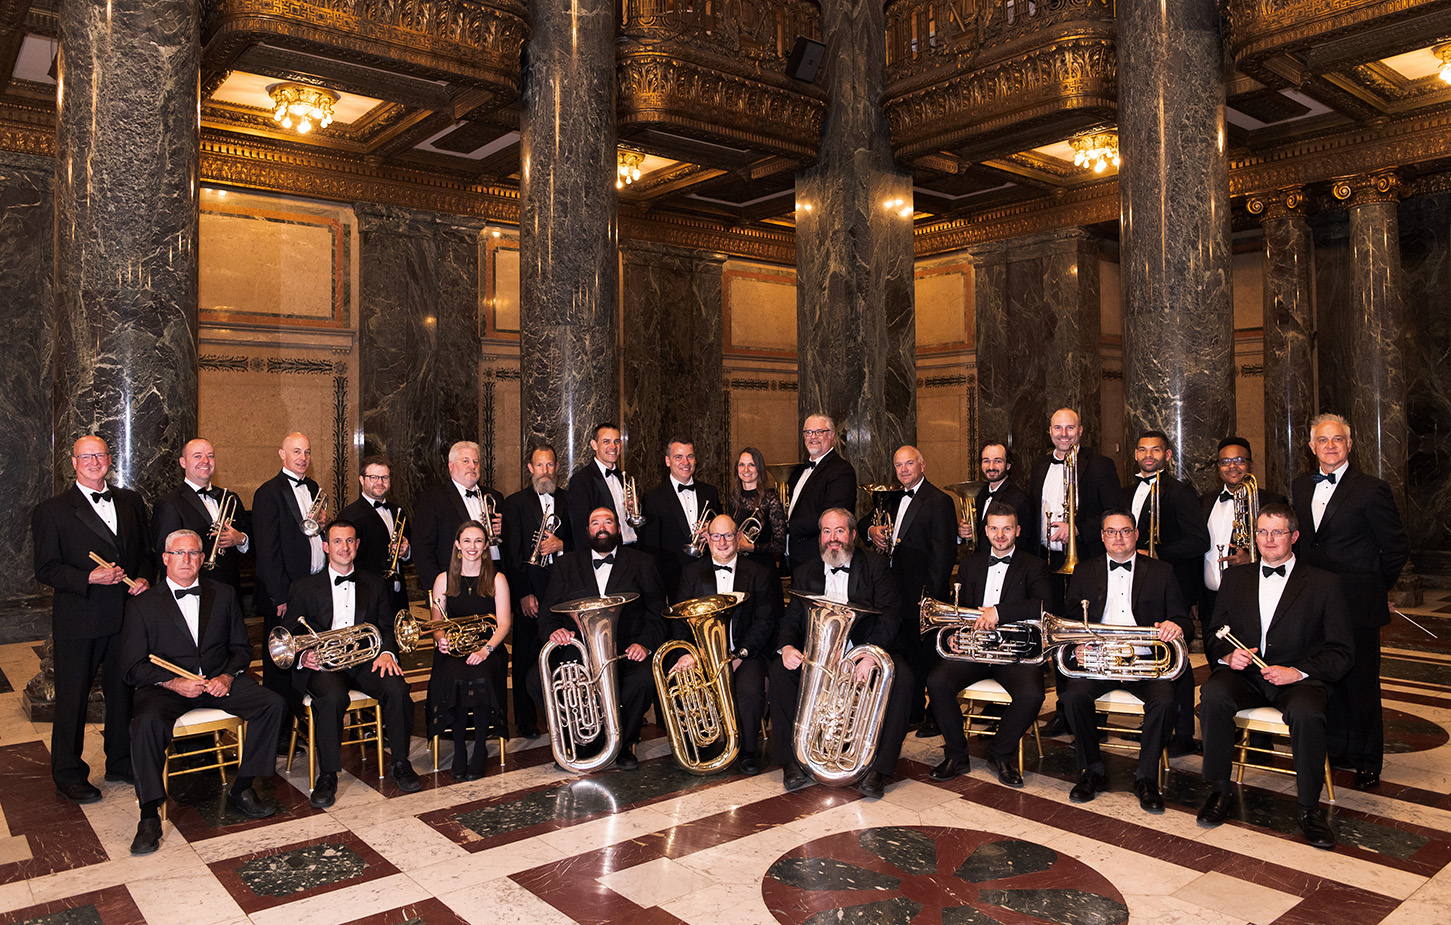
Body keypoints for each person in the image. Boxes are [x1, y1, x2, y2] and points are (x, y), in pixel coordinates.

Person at [119, 529, 286, 854]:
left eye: (193, 553)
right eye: (179, 553)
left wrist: (226, 676)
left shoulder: (223, 594)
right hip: (165, 688)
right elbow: (131, 667)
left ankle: (243, 786)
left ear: (202, 558)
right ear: (165, 559)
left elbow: (241, 648)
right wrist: (173, 682)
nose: (186, 560)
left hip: (215, 682)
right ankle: (149, 813)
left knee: (272, 703)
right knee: (145, 723)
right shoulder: (143, 605)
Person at [1196, 504, 1353, 849]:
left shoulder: (1324, 584)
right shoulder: (1235, 578)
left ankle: (1309, 809)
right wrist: (1226, 655)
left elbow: (1342, 652)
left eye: (1277, 532)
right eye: (1263, 532)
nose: (1269, 539)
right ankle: (1219, 790)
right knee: (1213, 695)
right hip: (1248, 676)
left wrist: (1296, 671)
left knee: (1306, 713)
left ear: (1294, 537)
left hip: (1299, 679)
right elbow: (1213, 634)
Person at [32, 435, 153, 803]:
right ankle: (68, 773)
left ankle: (119, 760)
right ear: (73, 462)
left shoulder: (130, 501)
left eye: (99, 454)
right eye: (86, 456)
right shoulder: (52, 510)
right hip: (79, 618)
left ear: (109, 459)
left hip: (126, 615)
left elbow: (145, 552)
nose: (93, 461)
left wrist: (146, 576)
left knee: (122, 693)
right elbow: (47, 569)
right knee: (72, 698)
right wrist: (89, 577)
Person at [1291, 413, 1408, 790]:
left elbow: (1395, 548)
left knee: (1361, 683)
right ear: (1312, 448)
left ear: (1349, 445)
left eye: (1337, 439)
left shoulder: (1372, 489)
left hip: (1358, 603)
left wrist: (1374, 586)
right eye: (1322, 440)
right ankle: (1337, 748)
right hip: (1315, 603)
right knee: (1325, 677)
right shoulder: (1299, 486)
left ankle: (1368, 758)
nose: (1330, 446)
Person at [770, 508, 909, 800]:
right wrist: (788, 648)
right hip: (817, 655)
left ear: (853, 535)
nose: (833, 539)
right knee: (779, 672)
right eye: (827, 532)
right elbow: (792, 619)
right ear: (820, 536)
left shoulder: (875, 566)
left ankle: (877, 768)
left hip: (861, 651)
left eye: (840, 531)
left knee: (903, 678)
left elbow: (890, 616)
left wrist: (869, 655)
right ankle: (792, 761)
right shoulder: (806, 570)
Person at [1058, 510, 1190, 814]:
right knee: (1073, 696)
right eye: (1111, 532)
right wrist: (1078, 641)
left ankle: (1146, 778)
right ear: (1102, 536)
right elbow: (1070, 620)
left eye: (1125, 531)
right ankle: (1092, 770)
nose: (1118, 538)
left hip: (1145, 662)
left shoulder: (1162, 571)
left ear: (1136, 534)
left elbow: (1183, 618)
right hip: (1099, 661)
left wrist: (1176, 625)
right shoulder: (1084, 571)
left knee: (1165, 702)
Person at [286, 519, 422, 807]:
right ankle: (328, 775)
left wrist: (387, 652)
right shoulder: (304, 587)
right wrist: (303, 656)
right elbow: (291, 634)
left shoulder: (375, 583)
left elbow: (387, 627)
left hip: (366, 660)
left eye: (350, 541)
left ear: (357, 546)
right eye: (337, 541)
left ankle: (400, 761)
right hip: (325, 663)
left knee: (398, 689)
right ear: (325, 546)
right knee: (332, 698)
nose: (344, 547)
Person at [926, 503, 1051, 787]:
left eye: (1007, 528)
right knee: (937, 682)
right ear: (985, 531)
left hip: (1014, 653)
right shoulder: (970, 564)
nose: (1000, 535)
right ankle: (957, 755)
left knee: (1032, 694)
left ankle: (1000, 753)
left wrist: (1000, 612)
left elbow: (1042, 605)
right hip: (975, 650)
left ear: (1017, 531)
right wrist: (954, 635)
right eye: (994, 528)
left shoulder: (1034, 565)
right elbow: (960, 609)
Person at [535, 506, 666, 770]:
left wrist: (645, 644)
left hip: (627, 650)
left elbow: (657, 611)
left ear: (618, 529)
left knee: (643, 681)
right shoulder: (565, 564)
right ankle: (582, 741)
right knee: (534, 680)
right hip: (580, 650)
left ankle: (623, 743)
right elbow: (548, 610)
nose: (602, 527)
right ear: (587, 531)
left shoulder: (642, 562)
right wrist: (554, 632)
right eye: (595, 523)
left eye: (608, 522)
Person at [1028, 408, 1124, 735]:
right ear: (1050, 430)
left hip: (1085, 564)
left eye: (1070, 428)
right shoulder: (1039, 465)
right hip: (1049, 565)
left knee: (1088, 635)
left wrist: (1076, 528)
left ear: (1081, 430)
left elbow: (1113, 513)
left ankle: (1091, 710)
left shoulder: (1099, 465)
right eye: (1058, 427)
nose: (1064, 433)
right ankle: (1064, 709)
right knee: (1057, 637)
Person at [671, 514, 779, 774]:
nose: (722, 542)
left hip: (745, 653)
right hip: (702, 654)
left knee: (750, 690)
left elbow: (765, 621)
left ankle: (748, 751)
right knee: (679, 681)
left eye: (728, 535)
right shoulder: (691, 573)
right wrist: (689, 654)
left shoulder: (759, 573)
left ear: (738, 538)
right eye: (716, 536)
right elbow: (679, 619)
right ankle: (700, 745)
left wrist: (739, 654)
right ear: (707, 539)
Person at [1126, 429, 1210, 757]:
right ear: (1135, 455)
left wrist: (1159, 554)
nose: (1149, 455)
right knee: (1148, 655)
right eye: (1143, 450)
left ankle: (1185, 733)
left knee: (1179, 661)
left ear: (1168, 456)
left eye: (1156, 450)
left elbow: (1197, 540)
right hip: (1137, 585)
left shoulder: (1181, 491)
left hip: (1170, 583)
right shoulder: (1127, 490)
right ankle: (1155, 725)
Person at [864, 445, 956, 734]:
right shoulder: (890, 499)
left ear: (922, 465)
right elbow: (865, 521)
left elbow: (943, 555)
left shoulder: (939, 500)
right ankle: (910, 710)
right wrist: (872, 531)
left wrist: (930, 598)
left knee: (924, 656)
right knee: (902, 653)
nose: (903, 470)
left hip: (920, 593)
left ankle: (932, 715)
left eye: (909, 464)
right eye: (899, 465)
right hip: (892, 591)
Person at [427, 521, 512, 780]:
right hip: (454, 649)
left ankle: (478, 750)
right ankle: (461, 750)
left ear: (486, 545)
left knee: (482, 676)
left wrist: (486, 650)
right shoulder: (443, 579)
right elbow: (437, 622)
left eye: (478, 541)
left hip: (489, 648)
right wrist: (440, 639)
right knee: (458, 679)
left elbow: (504, 623)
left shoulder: (497, 579)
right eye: (467, 541)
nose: (472, 546)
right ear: (457, 545)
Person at [500, 443, 573, 738]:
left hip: (564, 589)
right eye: (539, 465)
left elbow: (581, 542)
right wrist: (523, 593)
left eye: (550, 465)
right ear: (530, 468)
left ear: (557, 467)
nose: (545, 471)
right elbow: (511, 553)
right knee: (525, 655)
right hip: (532, 588)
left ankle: (565, 712)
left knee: (565, 652)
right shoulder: (515, 503)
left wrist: (562, 544)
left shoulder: (569, 501)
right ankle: (527, 719)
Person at [252, 431, 327, 712]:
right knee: (281, 661)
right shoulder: (268, 493)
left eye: (307, 452)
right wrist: (280, 596)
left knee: (308, 657)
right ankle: (280, 731)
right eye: (296, 452)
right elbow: (268, 551)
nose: (303, 458)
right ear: (282, 454)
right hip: (285, 592)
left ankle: (302, 722)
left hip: (313, 587)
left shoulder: (315, 488)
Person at [1199, 437, 1288, 630]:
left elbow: (1286, 546)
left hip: (1250, 597)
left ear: (1250, 464)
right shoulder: (1204, 502)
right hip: (1209, 599)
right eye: (1225, 461)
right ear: (1218, 467)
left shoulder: (1272, 501)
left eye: (1239, 460)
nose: (1232, 466)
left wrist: (1252, 558)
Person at [151, 438, 251, 598]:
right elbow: (165, 558)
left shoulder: (230, 497)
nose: (205, 461)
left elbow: (252, 542)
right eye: (197, 456)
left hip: (230, 588)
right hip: (193, 591)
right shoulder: (169, 503)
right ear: (183, 462)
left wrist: (240, 539)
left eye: (210, 456)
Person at [413, 441, 504, 593]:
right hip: (454, 583)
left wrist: (502, 532)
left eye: (475, 462)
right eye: (465, 461)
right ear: (451, 466)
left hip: (493, 578)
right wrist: (437, 588)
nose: (472, 466)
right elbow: (421, 548)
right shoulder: (433, 499)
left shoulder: (495, 497)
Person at [641, 437, 722, 597]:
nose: (685, 462)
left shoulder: (710, 492)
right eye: (678, 457)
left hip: (709, 577)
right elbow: (650, 548)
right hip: (672, 580)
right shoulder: (653, 498)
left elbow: (722, 531)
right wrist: (657, 589)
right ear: (667, 461)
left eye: (690, 456)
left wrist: (711, 530)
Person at [339, 456, 412, 616]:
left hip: (397, 595)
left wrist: (406, 552)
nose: (380, 482)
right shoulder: (349, 515)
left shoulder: (398, 511)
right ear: (361, 480)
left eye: (384, 477)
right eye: (373, 477)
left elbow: (411, 552)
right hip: (367, 596)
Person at [784, 414, 857, 571]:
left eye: (819, 432)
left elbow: (830, 517)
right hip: (796, 556)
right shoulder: (798, 472)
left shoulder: (841, 471)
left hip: (819, 558)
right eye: (808, 432)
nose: (813, 437)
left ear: (831, 435)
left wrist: (787, 526)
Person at [566, 422, 640, 547]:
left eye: (616, 441)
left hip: (632, 548)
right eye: (606, 441)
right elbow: (579, 528)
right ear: (594, 445)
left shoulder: (625, 477)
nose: (613, 446)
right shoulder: (581, 480)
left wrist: (634, 509)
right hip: (605, 552)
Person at [728, 446, 786, 579]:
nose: (746, 470)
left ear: (759, 469)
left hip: (762, 569)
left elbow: (780, 546)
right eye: (741, 465)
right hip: (739, 568)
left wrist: (751, 547)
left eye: (751, 465)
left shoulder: (771, 500)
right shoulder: (733, 498)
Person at [965, 442, 1034, 551]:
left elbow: (1024, 542)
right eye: (986, 461)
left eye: (997, 461)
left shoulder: (1018, 498)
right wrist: (965, 531)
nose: (991, 467)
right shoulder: (980, 493)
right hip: (981, 563)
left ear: (1008, 465)